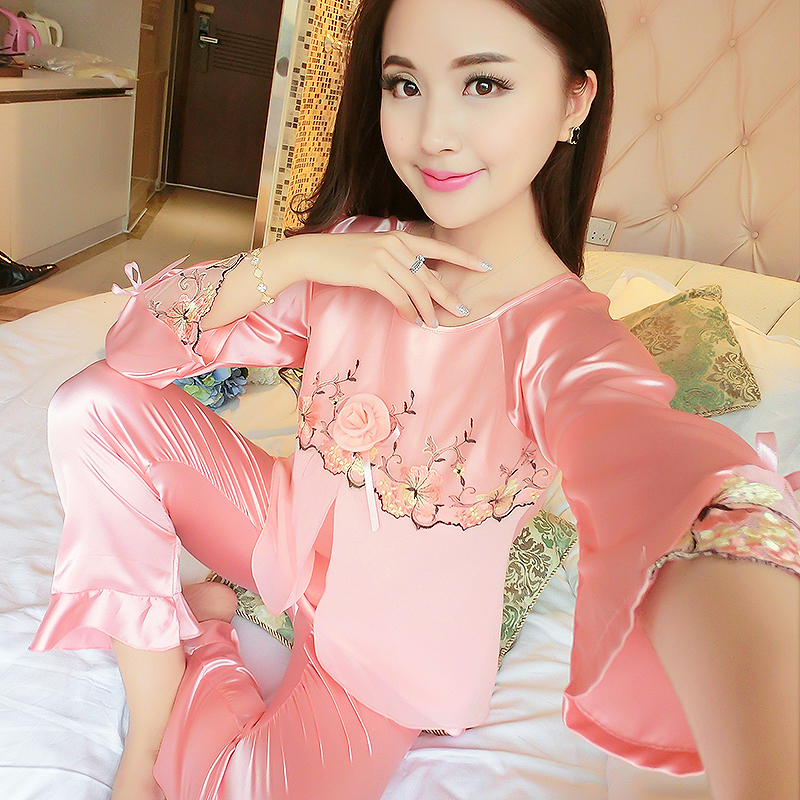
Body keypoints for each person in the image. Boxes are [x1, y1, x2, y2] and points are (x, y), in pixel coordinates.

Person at [31, 0, 799, 798]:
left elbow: (664, 476)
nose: (434, 133)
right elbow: (134, 348)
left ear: (574, 100)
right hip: (286, 548)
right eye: (404, 84)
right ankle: (153, 715)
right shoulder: (360, 253)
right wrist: (299, 258)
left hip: (388, 657)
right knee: (90, 408)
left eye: (484, 84)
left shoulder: (562, 340)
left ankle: (211, 637)